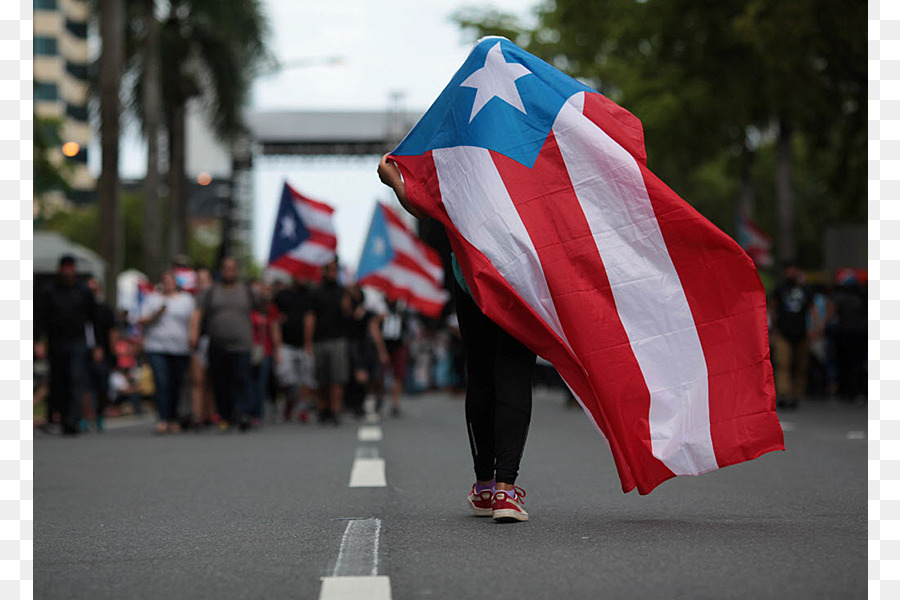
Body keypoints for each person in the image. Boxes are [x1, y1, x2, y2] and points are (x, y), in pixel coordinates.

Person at [378, 154, 535, 522]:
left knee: (480, 374)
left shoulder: (461, 159)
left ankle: (484, 486)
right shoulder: (526, 146)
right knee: (512, 372)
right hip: (520, 279)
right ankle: (505, 492)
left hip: (471, 278)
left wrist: (395, 182)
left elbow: (427, 213)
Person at [35, 255, 98, 435]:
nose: (68, 272)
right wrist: (37, 340)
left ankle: (73, 419)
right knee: (58, 381)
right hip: (56, 342)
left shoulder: (83, 291)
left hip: (77, 341)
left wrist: (98, 345)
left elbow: (94, 318)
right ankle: (60, 416)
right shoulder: (50, 291)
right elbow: (39, 317)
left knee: (75, 379)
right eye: (65, 268)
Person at [190, 257, 255, 431]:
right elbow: (198, 313)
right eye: (226, 268)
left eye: (232, 268)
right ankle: (225, 416)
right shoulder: (211, 292)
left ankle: (243, 414)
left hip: (242, 344)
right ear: (221, 270)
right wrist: (194, 334)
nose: (229, 272)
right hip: (218, 344)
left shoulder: (246, 291)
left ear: (237, 271)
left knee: (242, 379)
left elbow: (262, 308)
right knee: (221, 382)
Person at [140, 271, 195, 434]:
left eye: (171, 281)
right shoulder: (153, 299)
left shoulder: (186, 300)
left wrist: (193, 338)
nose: (168, 284)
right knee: (162, 382)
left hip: (179, 348)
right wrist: (157, 313)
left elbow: (193, 320)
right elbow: (141, 320)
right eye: (165, 281)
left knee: (176, 384)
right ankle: (162, 419)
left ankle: (173, 418)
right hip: (157, 347)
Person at [304, 258, 351, 425]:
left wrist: (348, 302)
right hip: (320, 340)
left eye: (334, 269)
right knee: (322, 378)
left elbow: (351, 312)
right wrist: (308, 342)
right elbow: (310, 317)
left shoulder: (343, 291)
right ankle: (323, 409)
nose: (332, 272)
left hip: (337, 339)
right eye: (329, 269)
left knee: (337, 377)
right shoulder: (315, 291)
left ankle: (335, 410)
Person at [273, 273, 317, 423]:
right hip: (286, 344)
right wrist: (277, 345)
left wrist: (308, 343)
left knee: (307, 379)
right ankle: (290, 401)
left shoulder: (310, 295)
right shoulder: (282, 295)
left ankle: (303, 408)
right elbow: (275, 319)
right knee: (286, 379)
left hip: (304, 345)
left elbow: (310, 319)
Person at [771, 261, 814, 411]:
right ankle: (784, 393)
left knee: (800, 366)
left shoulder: (806, 289)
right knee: (783, 363)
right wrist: (773, 329)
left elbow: (812, 309)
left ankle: (796, 395)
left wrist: (814, 328)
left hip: (802, 332)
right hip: (783, 332)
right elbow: (773, 307)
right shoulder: (780, 288)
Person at [84, 277, 117, 432]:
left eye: (94, 289)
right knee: (85, 386)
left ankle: (100, 414)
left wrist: (112, 351)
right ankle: (84, 416)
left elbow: (112, 331)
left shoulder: (105, 309)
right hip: (84, 352)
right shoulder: (80, 308)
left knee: (102, 387)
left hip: (104, 353)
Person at [249, 280, 282, 425]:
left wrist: (277, 351)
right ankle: (247, 410)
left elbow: (275, 330)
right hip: (249, 348)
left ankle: (257, 412)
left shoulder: (272, 309)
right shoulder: (249, 308)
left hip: (266, 350)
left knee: (261, 382)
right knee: (249, 381)